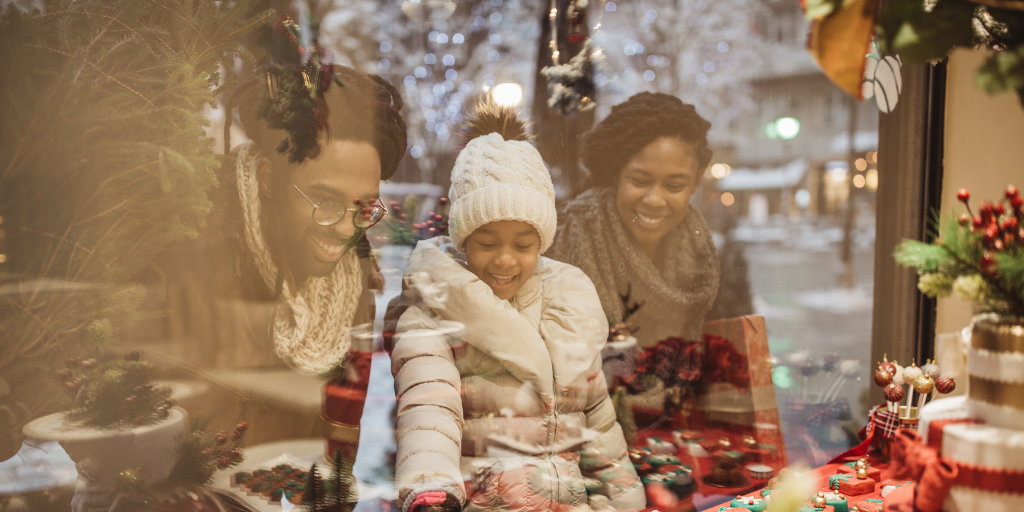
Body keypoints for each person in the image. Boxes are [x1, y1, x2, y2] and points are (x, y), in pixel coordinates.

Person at [385, 104, 645, 512]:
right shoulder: (431, 316)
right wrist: (431, 489)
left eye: (522, 245)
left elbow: (596, 414)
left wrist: (625, 494)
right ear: (462, 241)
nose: (506, 260)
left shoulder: (569, 306)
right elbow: (428, 410)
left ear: (541, 243)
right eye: (487, 243)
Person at [548, 92, 721, 347]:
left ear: (696, 180)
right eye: (639, 181)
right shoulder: (563, 243)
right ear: (617, 174)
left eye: (674, 185)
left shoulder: (707, 262)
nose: (654, 200)